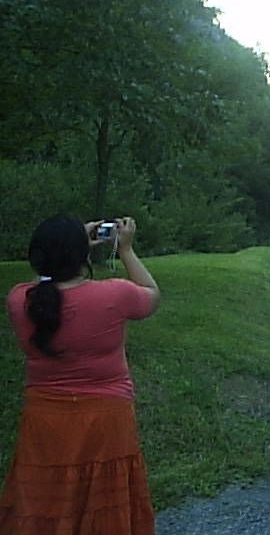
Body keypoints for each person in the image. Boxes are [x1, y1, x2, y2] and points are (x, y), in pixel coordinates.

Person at [0, 214, 160, 535]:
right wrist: (125, 249)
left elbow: (46, 286)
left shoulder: (19, 300)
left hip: (44, 417)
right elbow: (150, 293)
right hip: (106, 416)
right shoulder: (114, 295)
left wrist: (70, 249)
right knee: (103, 499)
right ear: (82, 257)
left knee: (46, 494)